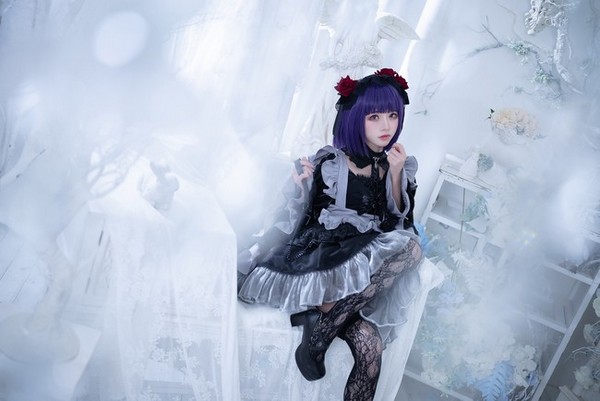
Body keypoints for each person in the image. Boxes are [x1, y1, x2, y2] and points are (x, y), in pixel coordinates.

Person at [237, 67, 423, 401]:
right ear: (355, 119)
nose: (386, 125)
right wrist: (299, 185)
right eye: (374, 117)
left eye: (393, 115)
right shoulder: (331, 162)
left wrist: (396, 173)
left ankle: (319, 331)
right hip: (327, 261)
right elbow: (300, 217)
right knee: (411, 249)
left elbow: (398, 223)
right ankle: (320, 328)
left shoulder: (395, 164)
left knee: (370, 346)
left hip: (360, 274)